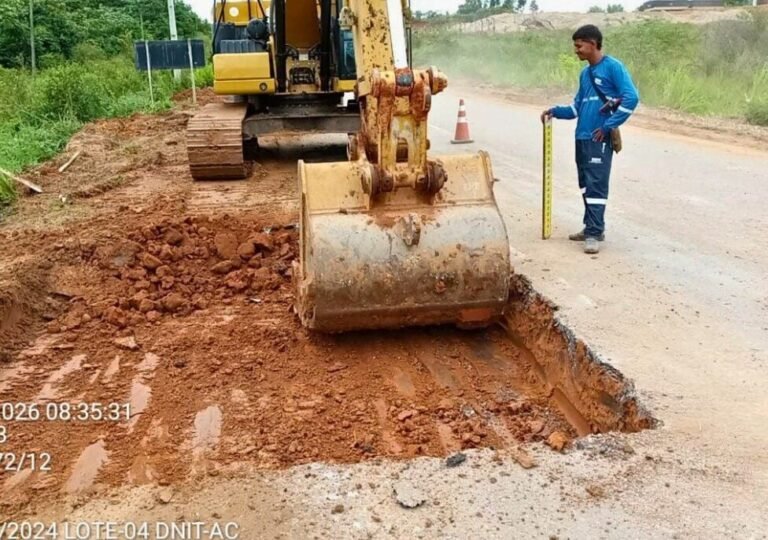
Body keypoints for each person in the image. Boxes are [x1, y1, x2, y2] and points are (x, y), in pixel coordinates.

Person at [541, 24, 639, 255]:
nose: (576, 50)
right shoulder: (585, 74)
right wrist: (555, 111)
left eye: (579, 46)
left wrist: (608, 126)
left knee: (596, 185)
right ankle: (591, 227)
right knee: (586, 184)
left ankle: (594, 233)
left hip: (599, 139)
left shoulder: (613, 67)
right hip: (582, 137)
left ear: (592, 44)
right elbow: (577, 108)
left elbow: (631, 98)